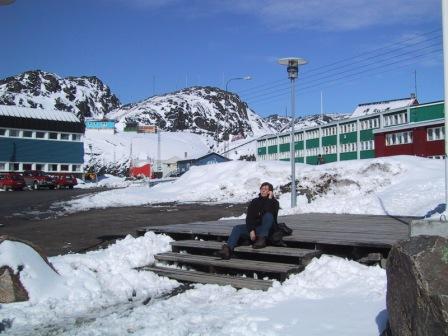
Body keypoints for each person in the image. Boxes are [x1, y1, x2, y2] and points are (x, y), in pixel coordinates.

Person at [217, 182, 279, 260]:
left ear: (270, 192)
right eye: (262, 189)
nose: (263, 191)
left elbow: (267, 211)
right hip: (257, 228)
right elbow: (249, 217)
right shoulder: (254, 202)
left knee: (268, 215)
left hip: (268, 230)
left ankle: (262, 240)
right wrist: (251, 230)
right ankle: (227, 249)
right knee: (237, 228)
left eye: (266, 189)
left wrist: (269, 199)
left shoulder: (274, 203)